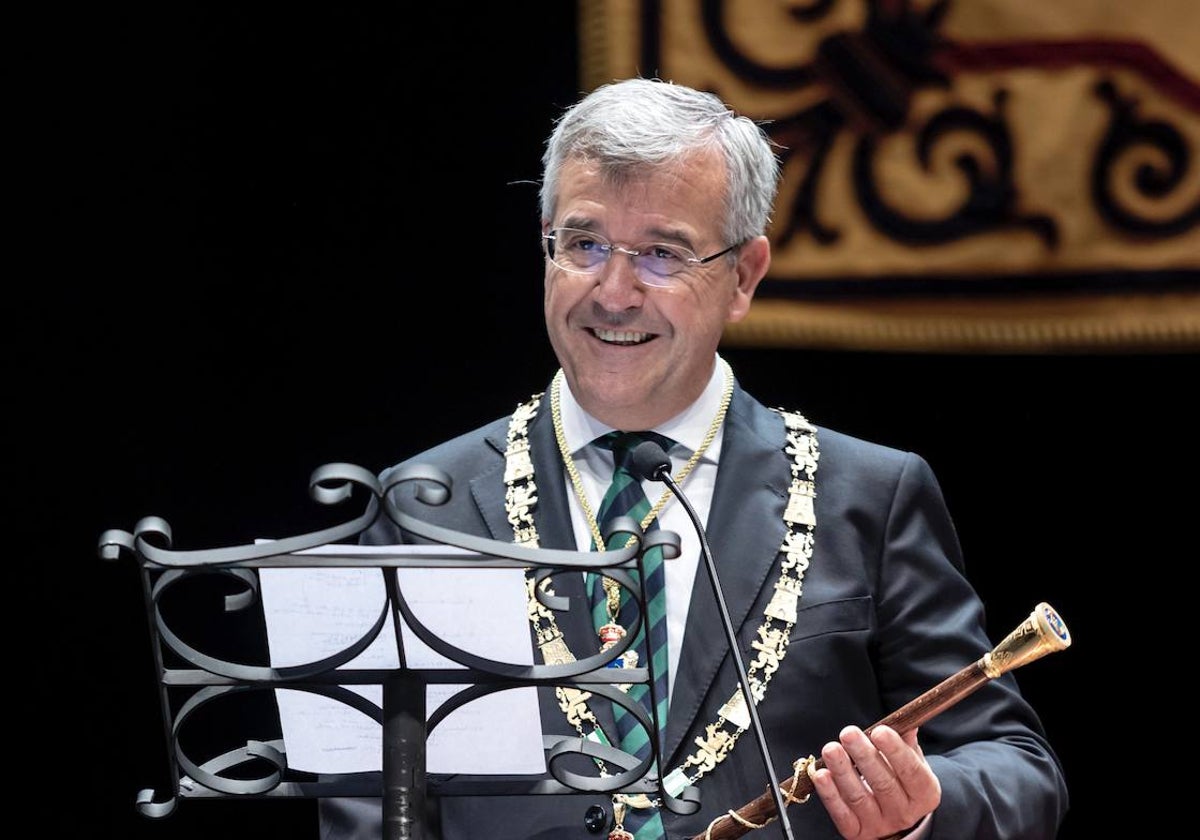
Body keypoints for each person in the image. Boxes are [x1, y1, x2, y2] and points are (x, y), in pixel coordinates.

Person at [318, 77, 1069, 840]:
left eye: (661, 255)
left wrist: (922, 804)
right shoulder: (422, 504)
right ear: (543, 243)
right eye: (584, 244)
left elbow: (1013, 766)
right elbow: (365, 800)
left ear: (743, 276)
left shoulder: (868, 495)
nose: (613, 293)